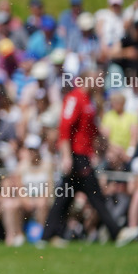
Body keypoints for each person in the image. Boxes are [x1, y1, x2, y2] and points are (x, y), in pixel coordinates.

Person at [40, 72, 124, 246]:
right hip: (76, 156)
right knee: (94, 196)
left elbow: (93, 130)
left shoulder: (89, 101)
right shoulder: (74, 99)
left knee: (65, 197)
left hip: (83, 155)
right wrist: (66, 156)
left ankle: (48, 235)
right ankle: (116, 232)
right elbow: (65, 127)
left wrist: (109, 145)